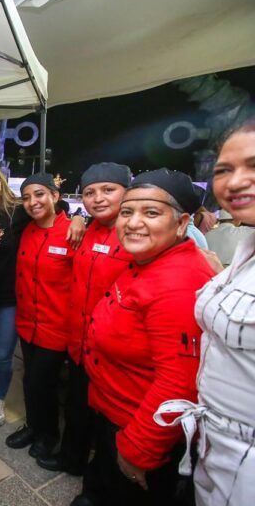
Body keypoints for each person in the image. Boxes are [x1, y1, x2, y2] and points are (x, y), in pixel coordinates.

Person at [77, 168, 214, 506]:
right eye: (127, 211)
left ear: (181, 223)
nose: (133, 222)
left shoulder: (178, 283)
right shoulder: (147, 260)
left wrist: (138, 450)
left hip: (138, 428)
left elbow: (179, 386)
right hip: (113, 411)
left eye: (151, 213)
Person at [160, 120, 255, 505]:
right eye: (223, 170)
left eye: (253, 166)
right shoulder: (242, 253)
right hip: (213, 445)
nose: (235, 182)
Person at [0, 164, 85, 428]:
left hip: (10, 299)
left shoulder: (19, 212)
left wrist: (77, 218)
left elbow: (50, 211)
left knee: (3, 353)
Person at [37, 163, 133, 475]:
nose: (98, 198)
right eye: (90, 192)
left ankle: (99, 486)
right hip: (80, 342)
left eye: (108, 190)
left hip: (114, 351)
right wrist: (77, 216)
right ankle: (71, 460)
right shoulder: (86, 228)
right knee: (77, 408)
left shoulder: (135, 235)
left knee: (108, 423)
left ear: (127, 193)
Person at [9, 173, 74, 460]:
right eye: (26, 197)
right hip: (27, 322)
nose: (33, 202)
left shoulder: (73, 232)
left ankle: (49, 435)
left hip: (56, 326)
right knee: (29, 380)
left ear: (55, 197)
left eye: (39, 195)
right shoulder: (26, 229)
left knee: (43, 383)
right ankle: (34, 427)